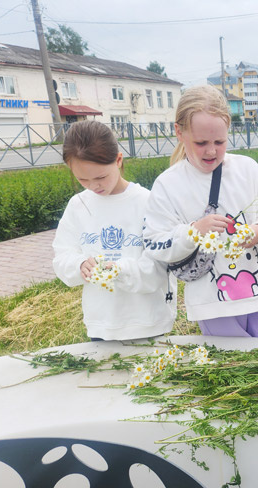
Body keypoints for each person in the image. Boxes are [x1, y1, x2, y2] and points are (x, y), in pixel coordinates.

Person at [142, 85, 258, 339]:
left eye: (219, 142)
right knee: (230, 374)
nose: (211, 151)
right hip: (211, 305)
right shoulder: (168, 184)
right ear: (179, 132)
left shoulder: (247, 170)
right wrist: (193, 232)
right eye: (201, 143)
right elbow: (154, 244)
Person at [52, 120, 176, 341]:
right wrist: (79, 264)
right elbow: (62, 256)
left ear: (118, 160)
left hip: (148, 321)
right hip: (102, 323)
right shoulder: (78, 205)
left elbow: (160, 266)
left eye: (100, 177)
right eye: (82, 179)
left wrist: (119, 270)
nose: (93, 186)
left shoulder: (147, 202)